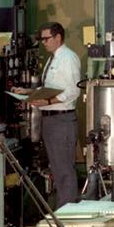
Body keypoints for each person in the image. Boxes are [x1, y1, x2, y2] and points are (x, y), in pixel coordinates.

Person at [30, 20, 81, 209]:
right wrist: (28, 92)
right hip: (51, 121)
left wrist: (48, 102)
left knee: (64, 170)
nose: (43, 42)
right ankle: (63, 210)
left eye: (46, 39)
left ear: (58, 37)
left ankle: (67, 214)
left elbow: (73, 91)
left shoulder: (67, 58)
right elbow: (51, 88)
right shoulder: (53, 59)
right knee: (58, 169)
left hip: (61, 120)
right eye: (42, 39)